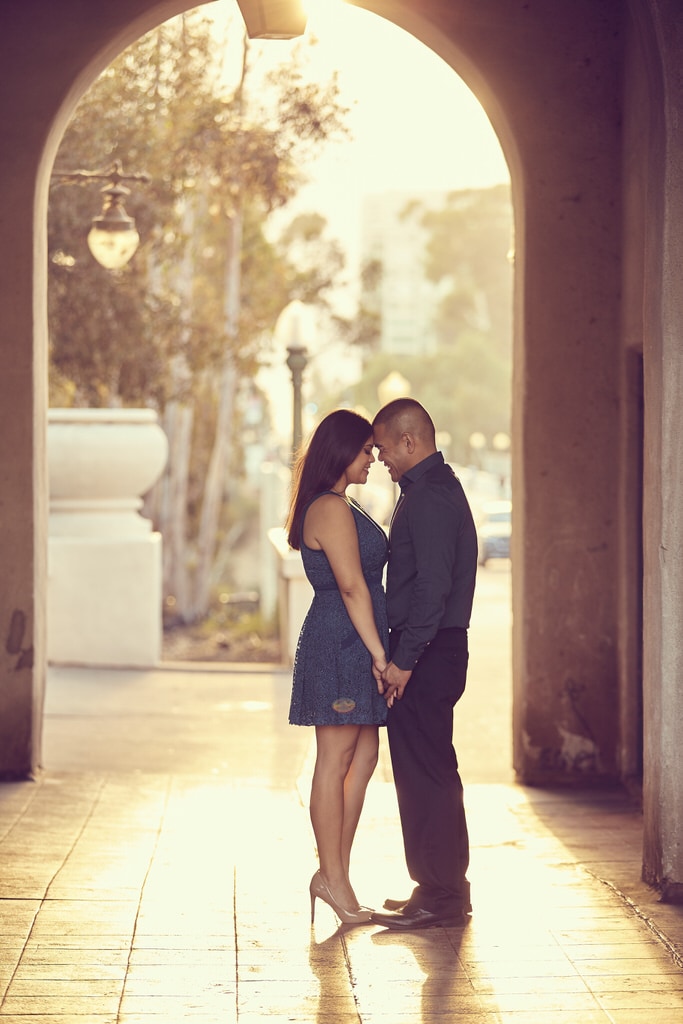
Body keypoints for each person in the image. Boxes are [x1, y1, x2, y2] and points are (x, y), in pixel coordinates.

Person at [368, 398, 478, 931]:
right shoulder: (430, 489)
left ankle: (442, 893)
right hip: (433, 649)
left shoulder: (431, 497)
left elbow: (432, 588)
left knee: (426, 771)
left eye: (384, 448)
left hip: (428, 652)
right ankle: (440, 887)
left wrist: (404, 661)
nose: (381, 458)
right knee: (425, 768)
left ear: (410, 442)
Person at [286, 409, 389, 926]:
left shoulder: (343, 504)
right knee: (335, 757)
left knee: (364, 755)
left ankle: (334, 873)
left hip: (357, 639)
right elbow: (351, 586)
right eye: (366, 449)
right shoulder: (328, 508)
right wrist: (378, 653)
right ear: (342, 451)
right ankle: (333, 877)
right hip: (342, 644)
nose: (373, 458)